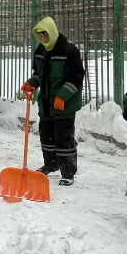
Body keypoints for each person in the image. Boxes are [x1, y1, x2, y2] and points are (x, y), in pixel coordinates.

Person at [20, 17, 84, 185]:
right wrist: (31, 83)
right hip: (47, 103)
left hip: (65, 104)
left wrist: (63, 95)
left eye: (45, 35)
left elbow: (77, 77)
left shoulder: (68, 50)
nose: (43, 38)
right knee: (46, 136)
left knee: (64, 138)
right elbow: (38, 74)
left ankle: (68, 173)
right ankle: (51, 164)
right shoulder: (40, 51)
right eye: (40, 36)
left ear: (52, 32)